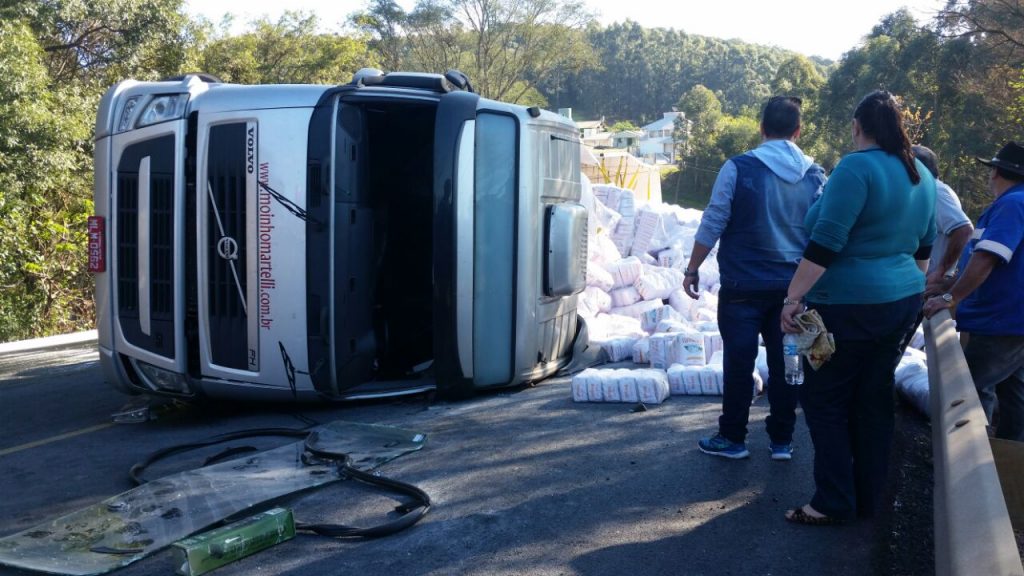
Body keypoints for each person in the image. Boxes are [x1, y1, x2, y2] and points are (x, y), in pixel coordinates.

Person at [779, 90, 936, 525]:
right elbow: (924, 245)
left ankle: (831, 500)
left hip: (847, 306)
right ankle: (869, 497)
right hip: (902, 302)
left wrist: (792, 299)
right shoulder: (919, 171)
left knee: (825, 398)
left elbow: (826, 241)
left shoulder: (854, 168)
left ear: (857, 125)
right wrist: (904, 283)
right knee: (872, 397)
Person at [683, 96, 825, 460]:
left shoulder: (739, 168)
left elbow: (714, 219)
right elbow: (823, 236)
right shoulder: (816, 175)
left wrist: (693, 267)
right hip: (792, 295)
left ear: (761, 128)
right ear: (798, 130)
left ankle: (733, 438)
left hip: (741, 288)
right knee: (787, 367)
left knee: (739, 363)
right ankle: (782, 441)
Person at [923, 141, 1024, 441]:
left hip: (1001, 320)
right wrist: (949, 284)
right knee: (1014, 392)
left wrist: (949, 297)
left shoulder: (1012, 204)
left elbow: (988, 258)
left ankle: (970, 461)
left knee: (970, 388)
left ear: (995, 171)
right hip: (1011, 319)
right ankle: (1006, 464)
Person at [911, 145, 973, 296]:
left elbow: (964, 230)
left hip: (929, 282)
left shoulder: (936, 191)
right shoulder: (934, 189)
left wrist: (941, 271)